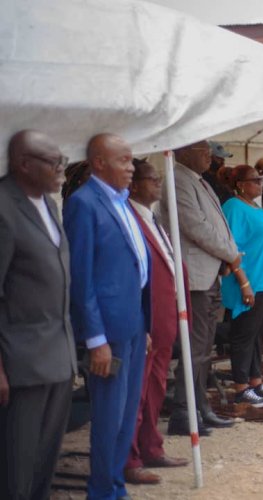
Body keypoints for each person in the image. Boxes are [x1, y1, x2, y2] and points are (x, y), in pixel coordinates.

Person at [64, 133, 151, 500]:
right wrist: (95, 338)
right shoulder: (84, 204)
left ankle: (115, 485)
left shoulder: (122, 201)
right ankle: (102, 490)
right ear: (99, 162)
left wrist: (141, 324)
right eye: (124, 160)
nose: (132, 167)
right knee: (109, 416)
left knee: (125, 415)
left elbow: (133, 264)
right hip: (108, 333)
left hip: (130, 324)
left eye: (131, 160)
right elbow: (81, 278)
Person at [0, 130, 77, 500]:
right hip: (21, 363)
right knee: (16, 468)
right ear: (24, 164)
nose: (61, 169)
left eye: (62, 160)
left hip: (57, 356)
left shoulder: (47, 203)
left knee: (44, 463)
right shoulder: (3, 207)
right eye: (53, 162)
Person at [163, 140, 239, 437]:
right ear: (182, 150)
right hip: (194, 276)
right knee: (194, 348)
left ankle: (200, 406)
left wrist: (230, 251)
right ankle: (183, 411)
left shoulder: (198, 181)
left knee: (205, 348)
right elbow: (196, 227)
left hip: (210, 273)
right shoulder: (177, 179)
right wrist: (230, 254)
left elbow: (218, 226)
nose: (210, 155)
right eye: (202, 149)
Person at [124, 159, 189, 485]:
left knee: (155, 389)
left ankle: (151, 446)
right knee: (136, 393)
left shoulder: (153, 218)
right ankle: (130, 457)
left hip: (164, 319)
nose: (158, 185)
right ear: (134, 184)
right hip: (145, 321)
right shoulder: (128, 217)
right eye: (152, 180)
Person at [221, 165, 263, 407]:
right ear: (240, 183)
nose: (260, 184)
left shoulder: (256, 207)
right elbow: (231, 248)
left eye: (261, 180)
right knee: (244, 335)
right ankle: (241, 387)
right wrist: (244, 283)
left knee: (259, 335)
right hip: (249, 282)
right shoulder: (234, 207)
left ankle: (256, 381)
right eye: (255, 180)